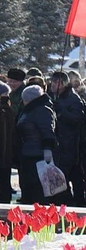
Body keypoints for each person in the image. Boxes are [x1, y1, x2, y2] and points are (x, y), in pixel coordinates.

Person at [16, 85, 59, 204]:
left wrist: (47, 149)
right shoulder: (29, 110)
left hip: (39, 156)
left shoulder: (42, 110)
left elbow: (47, 131)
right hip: (28, 154)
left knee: (40, 190)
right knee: (31, 188)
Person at [49, 71, 85, 205]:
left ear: (63, 84)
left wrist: (62, 112)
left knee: (73, 178)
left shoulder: (73, 99)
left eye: (56, 82)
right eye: (52, 81)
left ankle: (75, 204)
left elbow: (79, 118)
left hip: (71, 146)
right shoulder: (52, 96)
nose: (53, 85)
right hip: (58, 146)